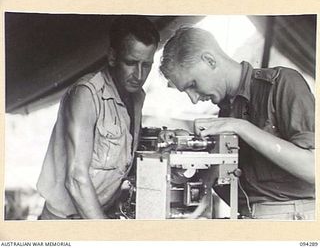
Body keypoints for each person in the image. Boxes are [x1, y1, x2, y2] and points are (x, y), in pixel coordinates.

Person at [159, 27, 315, 220]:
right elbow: (218, 178)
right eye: (186, 91)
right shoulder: (227, 110)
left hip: (292, 219)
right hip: (248, 218)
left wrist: (241, 126)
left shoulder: (282, 83)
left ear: (210, 60)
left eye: (192, 85)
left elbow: (313, 168)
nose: (193, 99)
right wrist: (182, 145)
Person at [37, 15, 160, 219]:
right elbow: (76, 178)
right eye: (131, 62)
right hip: (64, 222)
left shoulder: (137, 96)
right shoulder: (86, 94)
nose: (139, 74)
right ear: (112, 57)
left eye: (146, 65)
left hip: (98, 214)